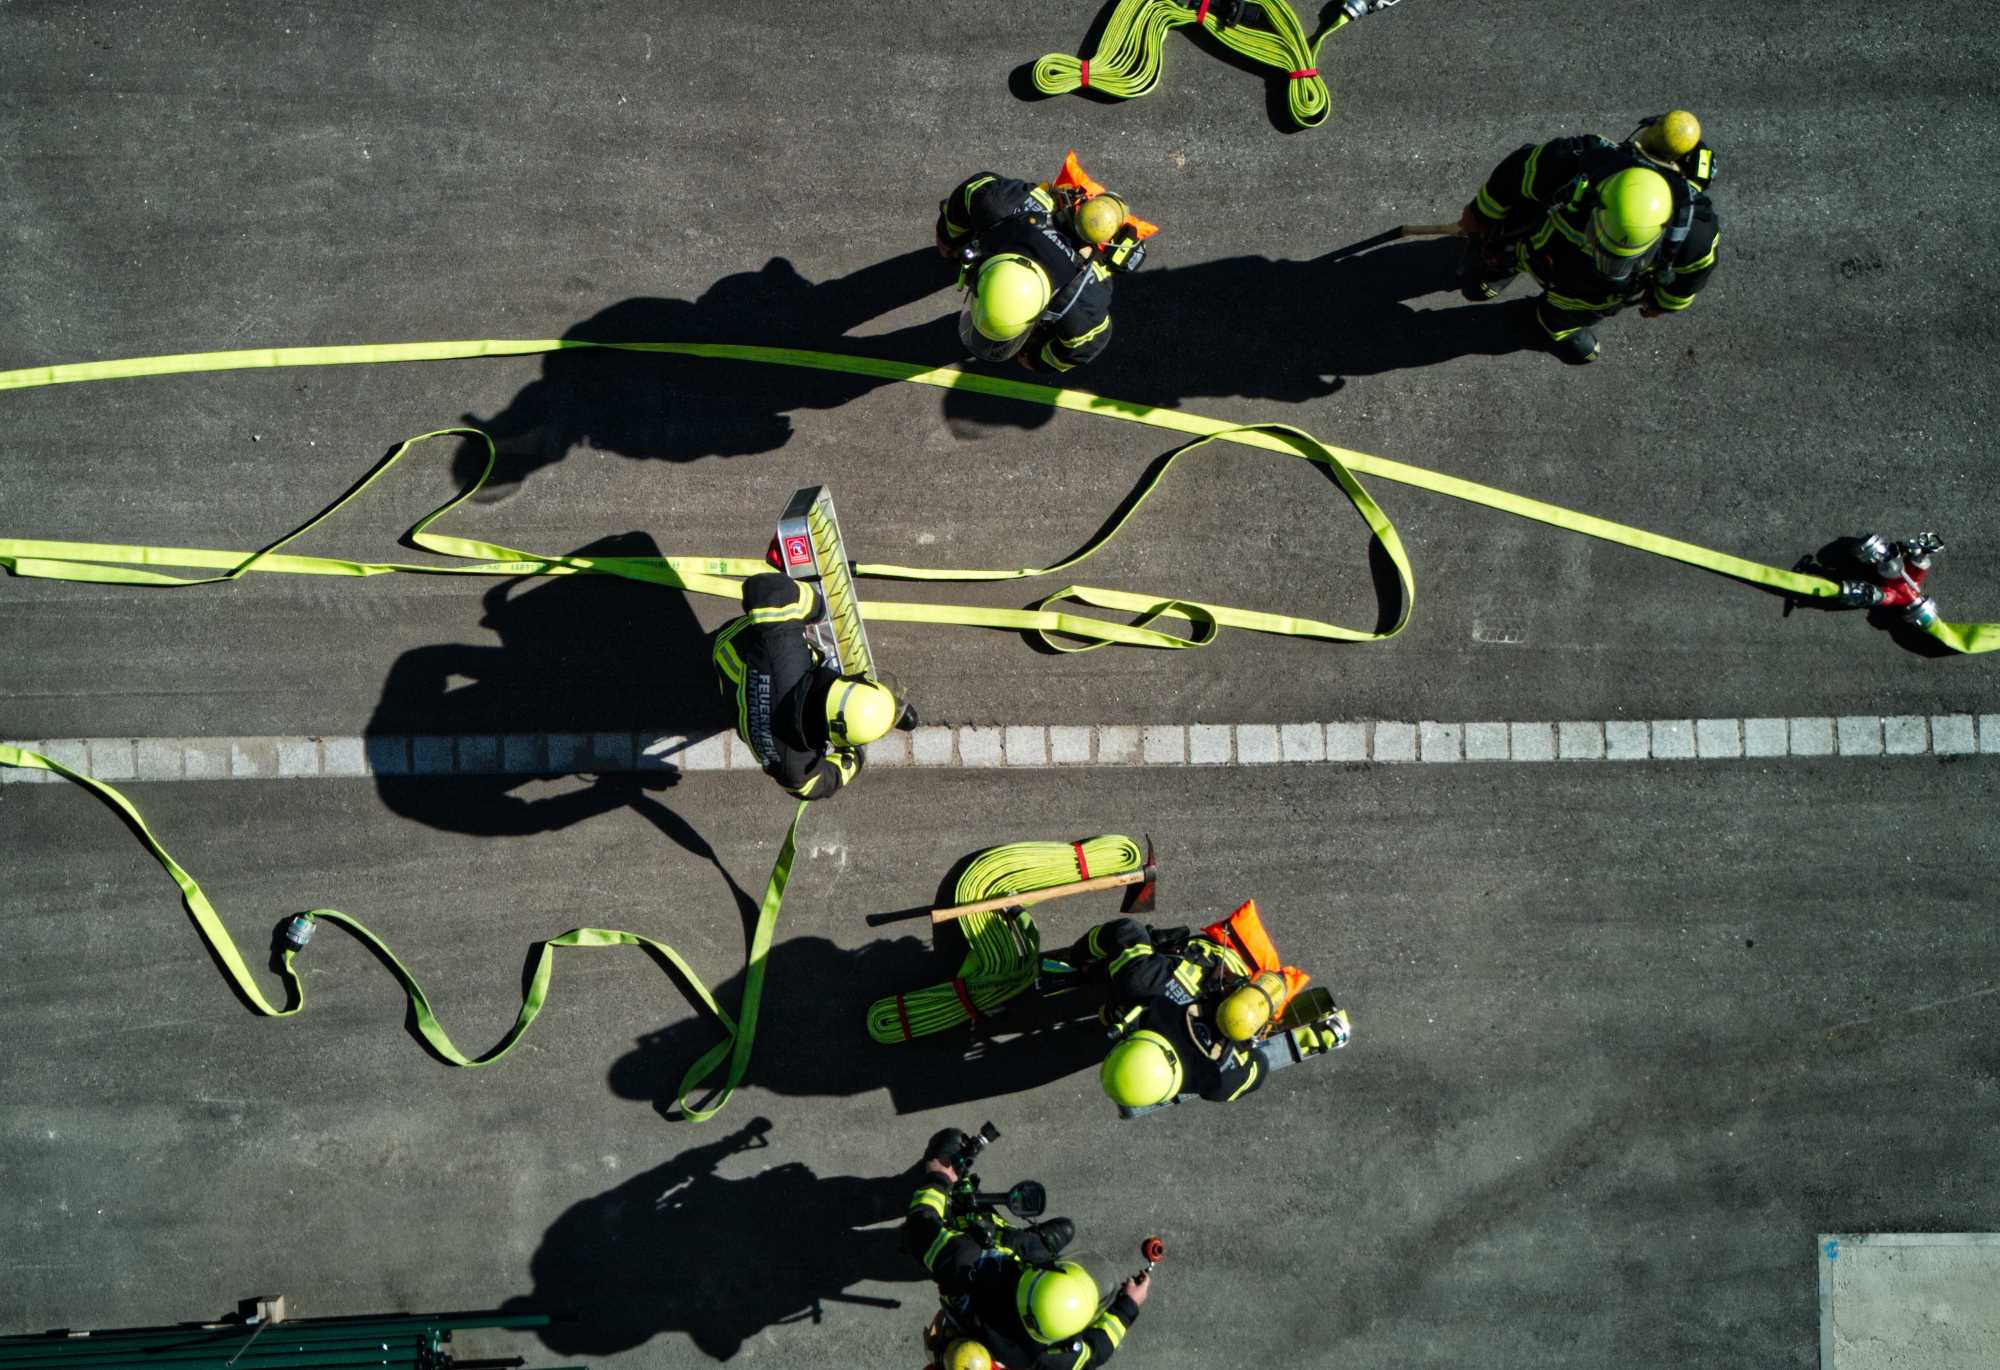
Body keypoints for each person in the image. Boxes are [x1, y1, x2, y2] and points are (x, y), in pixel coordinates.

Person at [1454, 110, 1721, 363]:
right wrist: (1478, 216)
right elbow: (1511, 178)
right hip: (1530, 247)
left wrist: (1663, 304)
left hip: (1586, 299)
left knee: (1564, 317)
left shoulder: (1696, 233)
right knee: (1475, 278)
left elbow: (1688, 282)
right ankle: (1499, 266)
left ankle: (1551, 327)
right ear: (1599, 201)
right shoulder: (1571, 160)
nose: (1610, 265)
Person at [1069, 902, 1351, 1117]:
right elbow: (1126, 931)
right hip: (1227, 949)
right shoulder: (1142, 982)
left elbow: (1260, 1065)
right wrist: (1081, 953)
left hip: (1249, 976)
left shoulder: (1221, 1081)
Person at [904, 1129, 1148, 1369]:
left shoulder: (962, 1262)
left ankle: (953, 1188)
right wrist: (1128, 1306)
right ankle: (1029, 1241)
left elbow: (920, 1226)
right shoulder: (1046, 1358)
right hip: (1014, 1273)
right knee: (1045, 1238)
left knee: (976, 1234)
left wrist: (939, 1177)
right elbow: (1094, 1354)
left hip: (974, 1282)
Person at [936, 152, 1155, 375]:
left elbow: (1086, 345)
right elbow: (972, 191)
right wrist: (1035, 360)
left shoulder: (1080, 301)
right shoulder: (997, 205)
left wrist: (949, 239)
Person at [710, 571, 912, 800]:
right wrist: (852, 759)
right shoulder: (795, 765)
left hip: (732, 652)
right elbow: (810, 788)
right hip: (735, 704)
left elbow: (766, 591)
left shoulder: (783, 655)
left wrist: (817, 608)